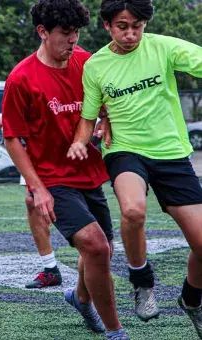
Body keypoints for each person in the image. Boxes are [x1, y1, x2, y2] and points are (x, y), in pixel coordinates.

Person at [67, 0, 202, 336]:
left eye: (137, 26)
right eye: (123, 26)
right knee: (133, 210)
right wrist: (79, 141)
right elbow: (89, 116)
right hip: (125, 151)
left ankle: (192, 300)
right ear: (107, 26)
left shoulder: (164, 47)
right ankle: (142, 281)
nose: (131, 34)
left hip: (171, 155)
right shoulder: (96, 66)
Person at [2, 1, 128, 339]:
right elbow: (12, 138)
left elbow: (107, 105)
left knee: (103, 252)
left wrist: (106, 121)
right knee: (97, 247)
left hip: (89, 173)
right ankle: (116, 332)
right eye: (64, 33)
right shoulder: (21, 78)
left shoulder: (88, 63)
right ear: (43, 32)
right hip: (53, 180)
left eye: (76, 33)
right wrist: (37, 188)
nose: (72, 40)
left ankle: (80, 297)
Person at [0, 117, 63, 289]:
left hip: (67, 133)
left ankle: (99, 256)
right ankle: (50, 268)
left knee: (78, 195)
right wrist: (6, 118)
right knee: (31, 200)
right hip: (39, 140)